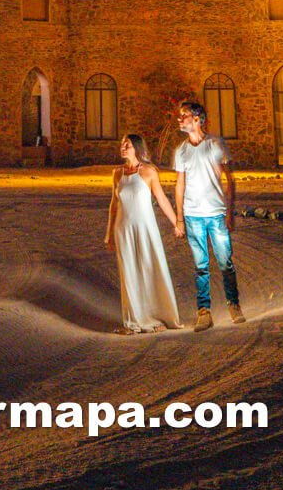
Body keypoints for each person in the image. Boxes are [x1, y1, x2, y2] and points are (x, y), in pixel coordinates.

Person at [173, 98, 245, 330]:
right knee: (201, 266)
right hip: (193, 215)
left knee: (225, 262)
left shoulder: (215, 144)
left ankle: (233, 304)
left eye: (183, 115)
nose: (179, 119)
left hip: (216, 214)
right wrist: (179, 218)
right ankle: (204, 311)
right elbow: (179, 185)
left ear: (197, 119)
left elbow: (229, 179)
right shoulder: (181, 151)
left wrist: (229, 212)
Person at [104, 131, 181, 333]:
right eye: (122, 144)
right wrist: (109, 234)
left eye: (127, 145)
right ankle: (133, 321)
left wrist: (177, 222)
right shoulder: (117, 174)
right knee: (129, 274)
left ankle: (157, 316)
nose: (123, 147)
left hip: (146, 228)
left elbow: (162, 199)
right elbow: (113, 205)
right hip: (123, 229)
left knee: (150, 268)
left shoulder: (149, 172)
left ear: (136, 148)